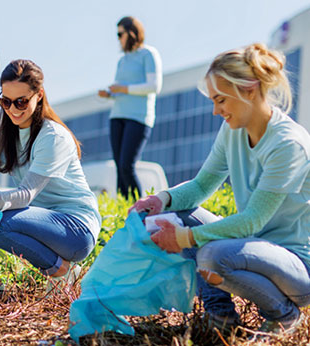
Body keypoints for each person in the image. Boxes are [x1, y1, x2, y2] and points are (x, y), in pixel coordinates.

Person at [130, 43, 310, 336]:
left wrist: (185, 237)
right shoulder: (232, 130)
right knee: (172, 215)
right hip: (250, 245)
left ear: (249, 89)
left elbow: (252, 220)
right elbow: (202, 185)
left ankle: (283, 315)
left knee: (212, 256)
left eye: (221, 100)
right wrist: (161, 200)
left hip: (296, 265)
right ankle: (221, 319)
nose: (216, 111)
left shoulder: (288, 144)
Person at [0, 60, 101, 291]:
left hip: (75, 230)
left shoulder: (52, 137)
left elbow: (24, 195)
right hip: (39, 221)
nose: (13, 109)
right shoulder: (7, 135)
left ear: (39, 95)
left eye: (21, 102)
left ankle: (61, 269)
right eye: (5, 101)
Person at [98, 16, 162, 199]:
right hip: (117, 115)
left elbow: (154, 86)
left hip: (139, 117)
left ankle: (140, 208)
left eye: (120, 34)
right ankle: (124, 210)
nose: (118, 39)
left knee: (127, 165)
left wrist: (123, 88)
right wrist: (110, 93)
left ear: (132, 33)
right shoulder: (122, 60)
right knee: (119, 166)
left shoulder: (148, 54)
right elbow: (120, 89)